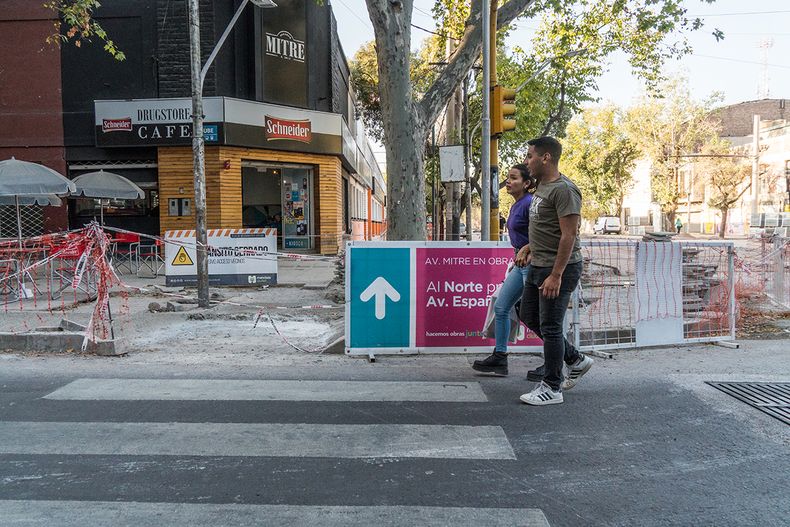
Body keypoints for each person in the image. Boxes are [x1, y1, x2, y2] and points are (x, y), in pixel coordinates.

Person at [517, 136, 593, 406]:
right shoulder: (542, 188)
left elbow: (568, 235)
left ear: (545, 157)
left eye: (530, 156)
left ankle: (552, 387)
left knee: (550, 326)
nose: (527, 162)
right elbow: (546, 229)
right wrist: (528, 247)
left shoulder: (565, 190)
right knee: (525, 314)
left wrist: (556, 274)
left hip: (558, 268)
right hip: (539, 264)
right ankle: (574, 358)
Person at [472, 164, 535, 376]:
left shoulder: (529, 203)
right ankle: (500, 357)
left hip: (531, 263)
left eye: (514, 178)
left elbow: (542, 235)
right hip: (519, 263)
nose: (508, 181)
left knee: (536, 316)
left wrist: (527, 251)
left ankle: (566, 357)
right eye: (508, 178)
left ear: (526, 183)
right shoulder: (517, 205)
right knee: (501, 307)